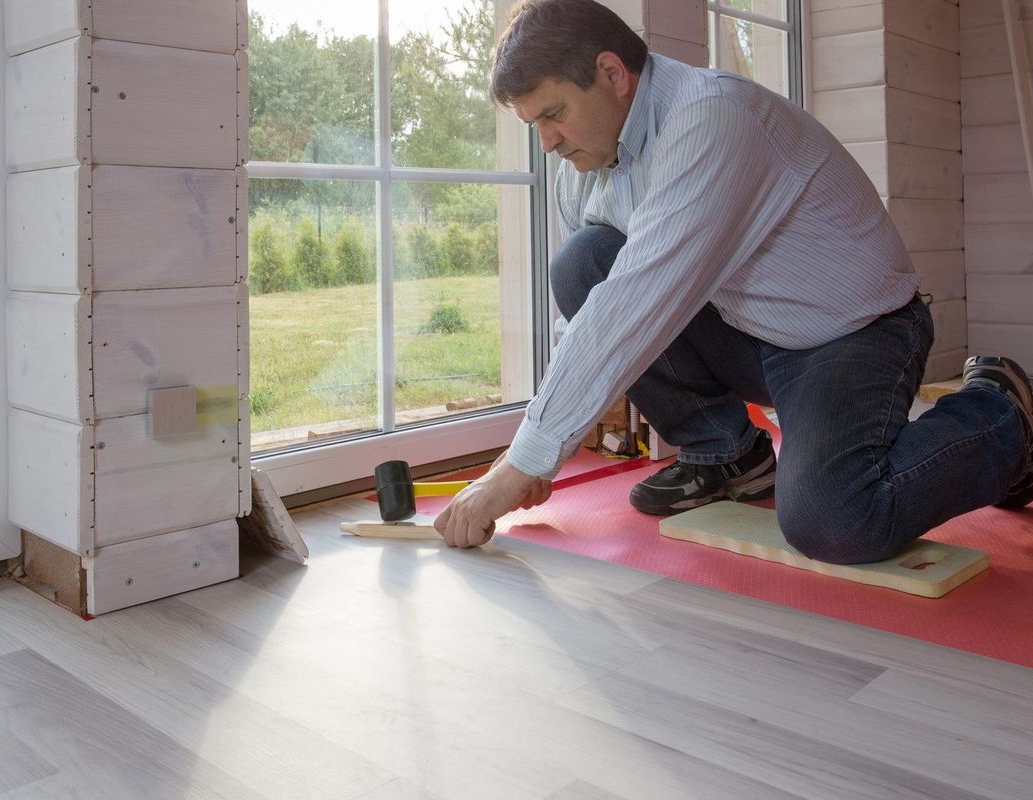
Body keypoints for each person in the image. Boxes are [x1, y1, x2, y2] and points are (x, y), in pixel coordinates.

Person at [433, 0, 1033, 561]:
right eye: (533, 124)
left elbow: (634, 302)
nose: (548, 142)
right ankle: (728, 456)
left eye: (554, 114)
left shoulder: (711, 117)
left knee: (832, 519)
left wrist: (519, 463)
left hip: (853, 336)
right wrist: (540, 454)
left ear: (612, 74)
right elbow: (593, 310)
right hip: (749, 328)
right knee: (584, 263)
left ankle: (1002, 412)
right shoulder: (586, 162)